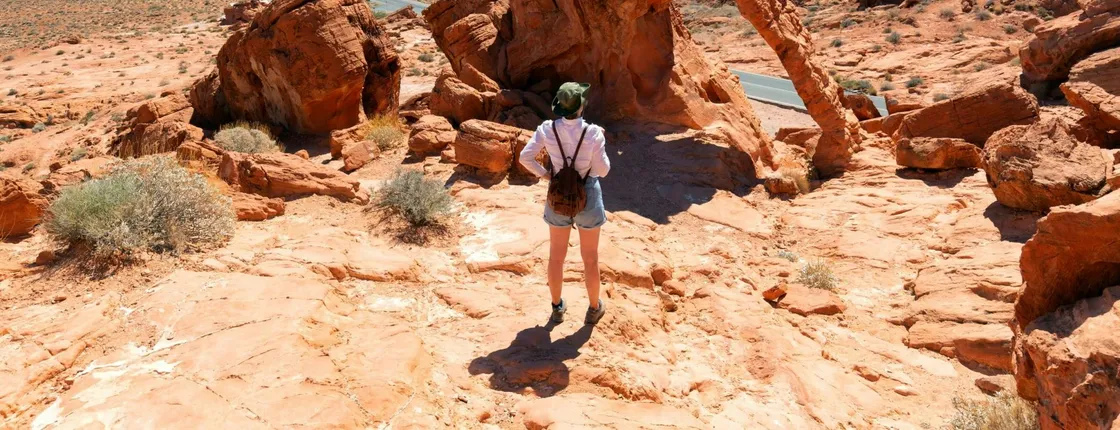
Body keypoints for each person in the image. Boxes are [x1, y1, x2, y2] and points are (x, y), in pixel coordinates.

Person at [518, 82, 611, 325]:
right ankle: (594, 308)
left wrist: (547, 175)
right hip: (587, 194)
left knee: (556, 257)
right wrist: (599, 142)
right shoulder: (593, 133)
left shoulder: (547, 129)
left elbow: (525, 157)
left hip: (558, 194)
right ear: (581, 106)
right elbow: (603, 170)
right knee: (590, 258)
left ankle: (557, 308)